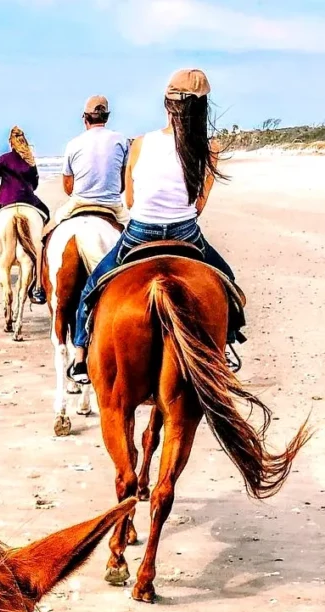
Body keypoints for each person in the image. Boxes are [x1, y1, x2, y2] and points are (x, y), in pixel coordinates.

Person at [70, 68, 242, 385]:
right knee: (227, 281)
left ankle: (80, 354)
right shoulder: (209, 148)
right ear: (202, 108)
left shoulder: (140, 144)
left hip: (140, 233)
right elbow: (199, 205)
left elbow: (131, 200)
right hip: (186, 233)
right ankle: (227, 343)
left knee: (92, 285)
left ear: (166, 103)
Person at [0, 126, 50, 297]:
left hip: (5, 199)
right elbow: (35, 185)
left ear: (10, 142)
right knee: (46, 214)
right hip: (28, 199)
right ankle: (39, 247)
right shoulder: (30, 159)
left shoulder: (3, 159)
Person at [55, 95, 129, 224]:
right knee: (132, 235)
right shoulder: (121, 140)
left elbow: (68, 187)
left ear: (85, 118)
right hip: (113, 205)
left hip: (80, 202)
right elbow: (123, 181)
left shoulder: (73, 144)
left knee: (58, 218)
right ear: (107, 117)